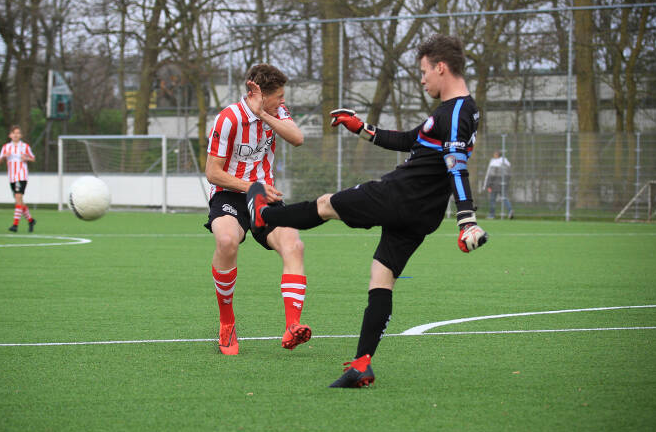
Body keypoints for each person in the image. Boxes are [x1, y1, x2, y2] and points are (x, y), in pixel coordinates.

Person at [246, 34, 488, 387]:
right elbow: (411, 140)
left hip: (400, 195)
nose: (422, 80)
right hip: (423, 213)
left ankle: (263, 217)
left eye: (424, 72)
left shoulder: (455, 113)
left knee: (326, 204)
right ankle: (362, 364)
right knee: (382, 278)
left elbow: (456, 164)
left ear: (441, 67)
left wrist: (467, 220)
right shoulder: (461, 110)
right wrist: (362, 128)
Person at [204, 63, 311, 356]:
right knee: (227, 241)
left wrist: (263, 113)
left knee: (294, 245)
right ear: (261, 94)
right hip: (229, 194)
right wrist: (251, 187)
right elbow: (212, 173)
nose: (283, 101)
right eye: (279, 96)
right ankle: (227, 324)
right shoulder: (228, 118)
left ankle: (292, 326)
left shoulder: (276, 112)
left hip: (265, 197)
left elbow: (298, 139)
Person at [0, 125, 36, 232]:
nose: (16, 135)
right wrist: (4, 156)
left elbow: (33, 158)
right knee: (20, 201)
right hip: (12, 177)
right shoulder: (6, 147)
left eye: (18, 133)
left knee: (18, 198)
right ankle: (31, 220)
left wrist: (26, 158)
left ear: (21, 135)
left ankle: (15, 225)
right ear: (10, 135)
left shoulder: (25, 146)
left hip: (21, 176)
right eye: (14, 133)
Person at [483, 150, 513, 219]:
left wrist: (488, 185)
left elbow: (491, 175)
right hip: (504, 184)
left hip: (494, 185)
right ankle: (510, 210)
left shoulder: (494, 163)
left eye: (494, 154)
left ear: (497, 155)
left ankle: (491, 215)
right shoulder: (506, 163)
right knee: (504, 198)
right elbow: (509, 175)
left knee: (492, 200)